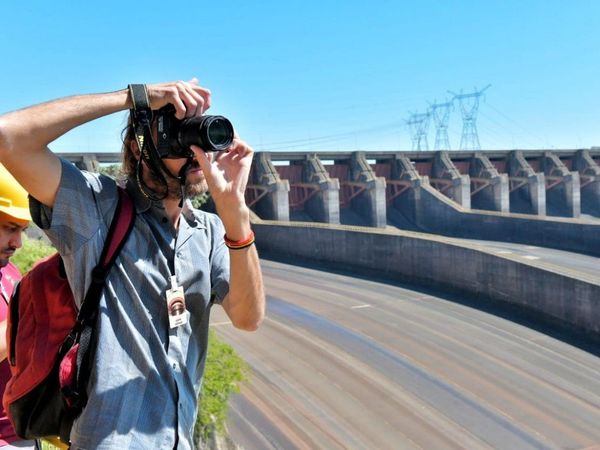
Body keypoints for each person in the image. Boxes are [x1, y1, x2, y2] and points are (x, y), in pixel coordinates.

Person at [0, 79, 265, 449]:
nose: (196, 149)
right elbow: (8, 136)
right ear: (138, 144)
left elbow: (248, 317)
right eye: (177, 131)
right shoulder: (97, 211)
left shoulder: (210, 231)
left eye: (199, 131)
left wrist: (238, 221)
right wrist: (134, 98)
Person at [0, 164, 36, 449]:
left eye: (22, 230)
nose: (18, 242)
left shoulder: (9, 271)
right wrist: (30, 313)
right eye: (11, 228)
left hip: (22, 431)